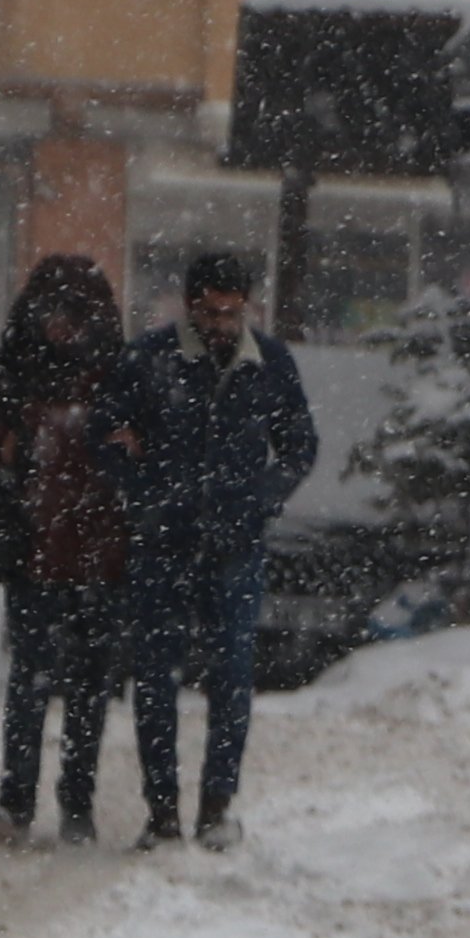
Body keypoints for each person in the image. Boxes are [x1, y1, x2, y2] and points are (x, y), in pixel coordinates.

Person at [111, 241, 319, 853]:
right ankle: (162, 811)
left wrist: (259, 499)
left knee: (232, 675)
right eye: (210, 312)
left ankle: (216, 806)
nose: (222, 325)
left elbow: (300, 446)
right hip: (164, 543)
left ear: (248, 308)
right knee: (155, 678)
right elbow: (108, 435)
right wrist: (145, 493)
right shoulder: (150, 360)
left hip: (234, 545)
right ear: (190, 306)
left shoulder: (271, 363)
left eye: (232, 313)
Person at [0, 255, 135, 846]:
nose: (61, 327)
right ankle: (16, 801)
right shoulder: (15, 371)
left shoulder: (117, 375)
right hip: (37, 552)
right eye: (51, 314)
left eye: (72, 316)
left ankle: (77, 805)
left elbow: (140, 452)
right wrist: (6, 480)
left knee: (88, 687)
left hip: (99, 555)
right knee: (31, 681)